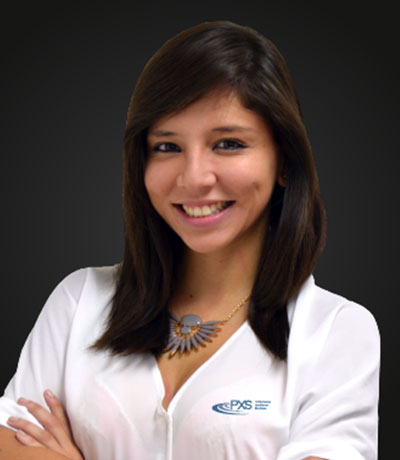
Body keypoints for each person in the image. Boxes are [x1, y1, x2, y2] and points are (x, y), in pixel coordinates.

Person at [0, 21, 380, 460]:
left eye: (229, 144)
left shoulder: (338, 332)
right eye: (167, 147)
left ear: (284, 162)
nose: (194, 178)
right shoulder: (78, 301)